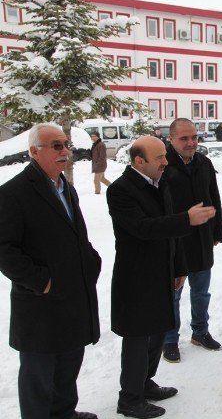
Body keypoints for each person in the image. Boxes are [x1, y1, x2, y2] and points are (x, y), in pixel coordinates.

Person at [107, 136, 216, 418]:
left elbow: (170, 234)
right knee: (137, 339)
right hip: (136, 278)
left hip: (162, 272)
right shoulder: (121, 190)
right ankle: (129, 398)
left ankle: (145, 383)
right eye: (159, 158)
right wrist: (185, 219)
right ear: (139, 161)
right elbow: (143, 228)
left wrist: (179, 267)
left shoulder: (160, 184)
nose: (166, 162)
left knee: (157, 333)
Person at [0, 123, 101, 419]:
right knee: (39, 377)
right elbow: (4, 249)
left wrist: (90, 261)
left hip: (72, 296)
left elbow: (74, 234)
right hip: (40, 304)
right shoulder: (13, 193)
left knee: (68, 366)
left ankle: (64, 413)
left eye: (66, 144)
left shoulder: (65, 187)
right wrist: (41, 281)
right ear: (34, 152)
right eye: (56, 146)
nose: (65, 151)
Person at [161, 119, 222, 363]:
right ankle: (169, 340)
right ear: (171, 139)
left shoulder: (204, 163)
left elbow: (214, 198)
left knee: (201, 292)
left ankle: (200, 332)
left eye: (194, 138)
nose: (190, 143)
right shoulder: (163, 164)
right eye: (184, 138)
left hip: (201, 240)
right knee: (173, 294)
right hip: (175, 242)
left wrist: (217, 232)